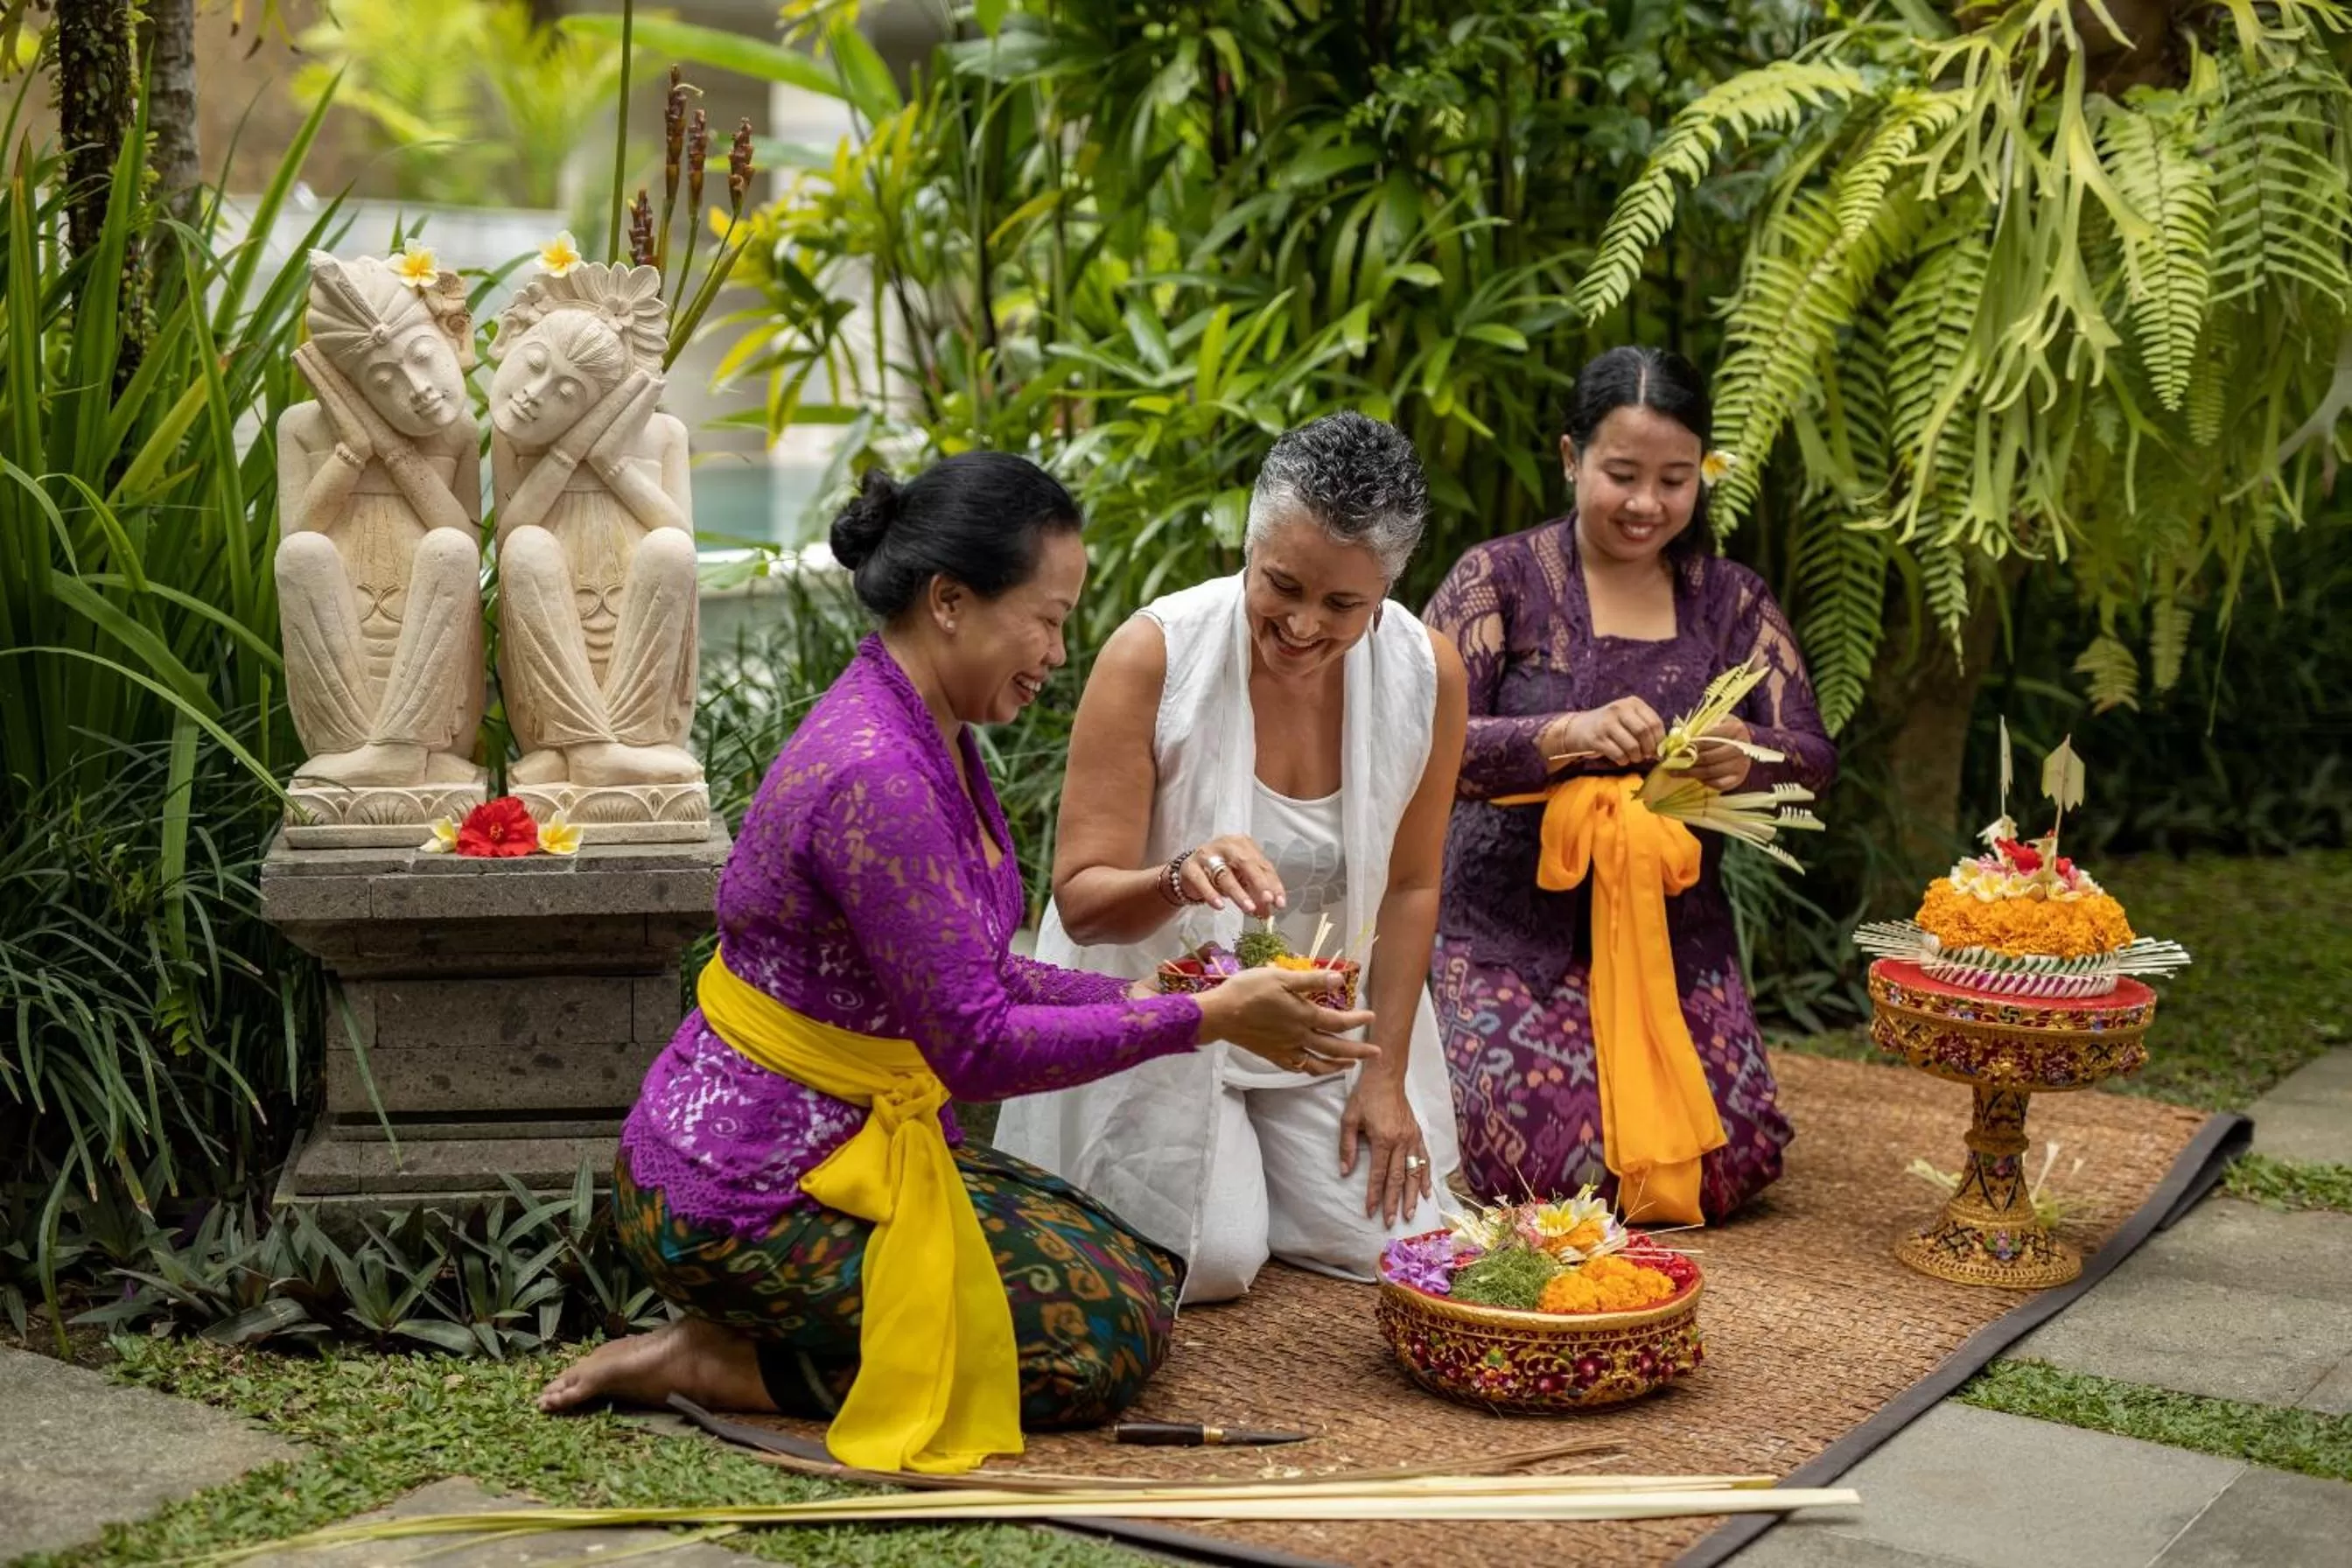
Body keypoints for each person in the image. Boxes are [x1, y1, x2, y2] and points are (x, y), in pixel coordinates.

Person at [537, 453, 1380, 1474]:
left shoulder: (930, 727)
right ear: (950, 601)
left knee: (1137, 1270)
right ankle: (718, 1362)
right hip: (746, 1189)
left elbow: (982, 974)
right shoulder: (879, 772)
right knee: (1095, 1345)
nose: (1058, 654)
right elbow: (976, 1045)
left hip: (844, 1140)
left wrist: (1164, 990)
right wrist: (1205, 1018)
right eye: (1048, 617)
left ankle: (752, 1342)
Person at [994, 413, 1469, 1303]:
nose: (1300, 624)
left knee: (1399, 1241)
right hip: (1165, 1004)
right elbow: (1084, 900)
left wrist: (1385, 1074)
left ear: (1388, 590)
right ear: (1247, 545)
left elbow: (1411, 886)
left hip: (1320, 1021)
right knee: (1206, 1259)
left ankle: (1271, 1162)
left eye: (1342, 606)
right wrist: (1180, 875)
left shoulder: (1427, 672)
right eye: (1281, 584)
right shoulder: (1153, 654)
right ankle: (1237, 1177)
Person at [1422, 347, 1835, 1222]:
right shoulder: (1498, 580)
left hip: (1671, 936)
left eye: (1675, 479)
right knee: (1552, 1169)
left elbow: (1813, 758)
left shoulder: (1731, 599)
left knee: (1730, 1165)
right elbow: (1417, 740)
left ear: (1701, 477)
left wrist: (1750, 750)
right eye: (1621, 474)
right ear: (1571, 459)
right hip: (1509, 928)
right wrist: (1562, 736)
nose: (1647, 504)